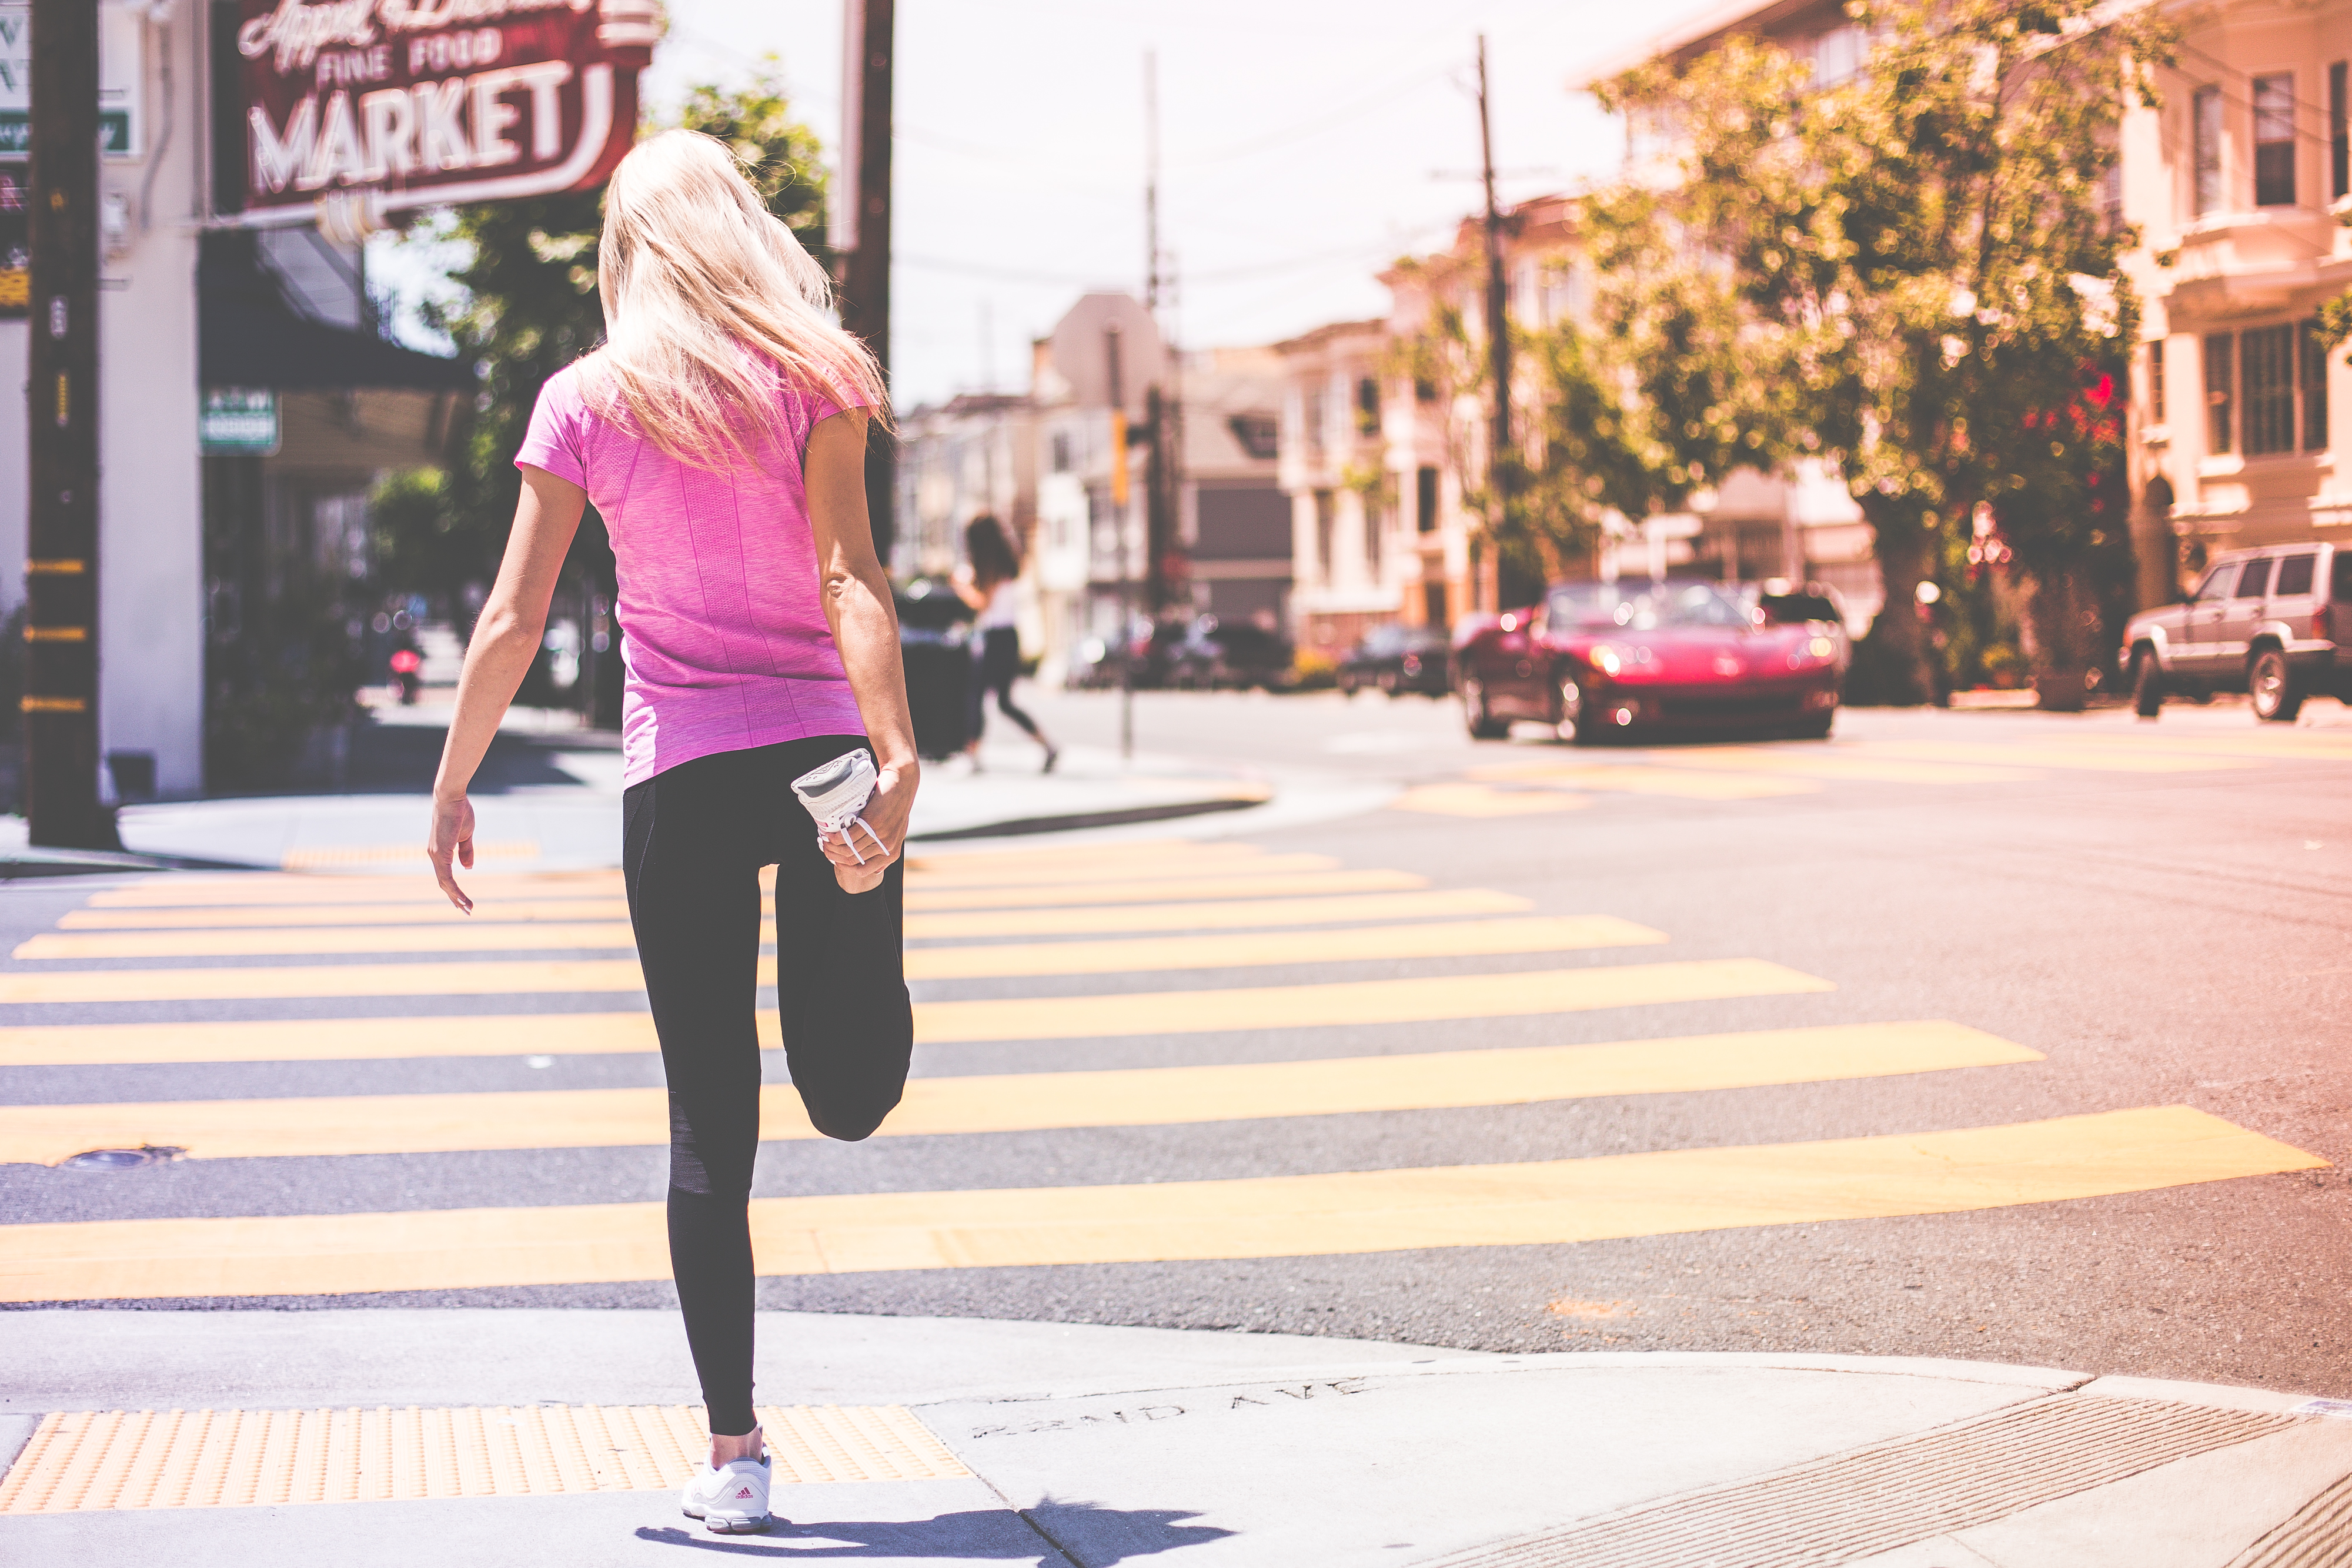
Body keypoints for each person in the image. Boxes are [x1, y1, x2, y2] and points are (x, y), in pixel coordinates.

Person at [423, 129, 915, 1537]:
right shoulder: (816, 372)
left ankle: (737, 1458)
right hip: (824, 763)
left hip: (683, 780)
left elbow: (514, 619)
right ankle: (863, 961)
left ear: (626, 248)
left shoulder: (584, 400)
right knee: (850, 1094)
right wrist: (893, 759)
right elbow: (847, 572)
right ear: (742, 227)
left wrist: (456, 776)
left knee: (712, 1126)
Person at [952, 514, 1057, 772]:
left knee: (975, 696)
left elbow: (982, 603)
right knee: (1005, 703)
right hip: (1010, 637)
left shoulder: (988, 566)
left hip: (995, 638)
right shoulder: (1007, 562)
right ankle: (1047, 746)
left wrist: (960, 587)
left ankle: (972, 756)